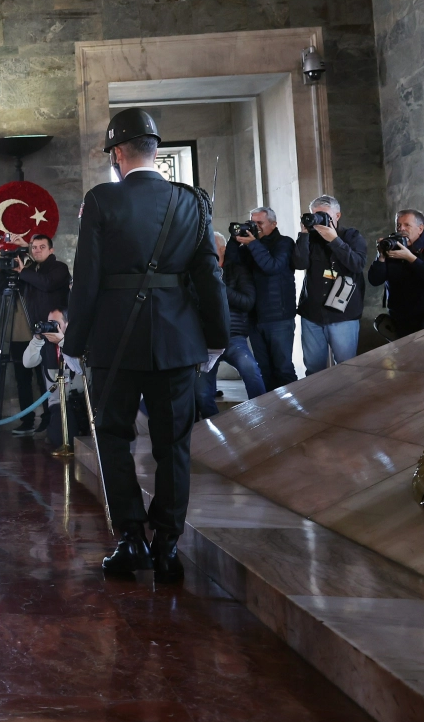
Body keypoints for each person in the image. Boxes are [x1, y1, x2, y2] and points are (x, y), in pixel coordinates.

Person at [66, 107, 229, 584]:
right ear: (156, 150)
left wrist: (74, 343)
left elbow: (87, 279)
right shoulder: (191, 201)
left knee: (114, 438)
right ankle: (168, 546)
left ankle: (131, 539)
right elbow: (210, 276)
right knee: (173, 444)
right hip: (178, 341)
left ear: (117, 154)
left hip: (115, 341)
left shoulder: (101, 201)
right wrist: (216, 338)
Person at [291, 195, 367, 375]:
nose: (318, 219)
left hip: (343, 314)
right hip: (312, 314)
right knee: (314, 369)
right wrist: (304, 234)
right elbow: (299, 264)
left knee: (347, 368)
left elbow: (357, 264)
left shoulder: (351, 236)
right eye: (315, 215)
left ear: (337, 216)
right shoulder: (310, 238)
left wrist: (334, 240)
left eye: (323, 215)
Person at [196, 232, 266, 417]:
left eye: (211, 244)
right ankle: (216, 427)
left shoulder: (237, 270)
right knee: (202, 393)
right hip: (206, 340)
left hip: (233, 337)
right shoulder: (199, 273)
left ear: (222, 249)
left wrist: (219, 287)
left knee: (251, 371)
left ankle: (263, 418)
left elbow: (247, 302)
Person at [8, 233, 70, 437]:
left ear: (51, 250)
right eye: (34, 247)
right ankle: (47, 423)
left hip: (57, 334)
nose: (37, 250)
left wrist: (23, 271)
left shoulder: (59, 268)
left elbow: (47, 283)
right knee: (40, 378)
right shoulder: (32, 270)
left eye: (42, 247)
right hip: (38, 333)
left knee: (53, 381)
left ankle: (56, 424)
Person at [234, 206, 297, 389]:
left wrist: (253, 244)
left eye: (259, 223)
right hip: (255, 317)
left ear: (273, 224)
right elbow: (232, 262)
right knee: (264, 370)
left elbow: (272, 267)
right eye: (252, 223)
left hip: (278, 317)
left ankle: (293, 407)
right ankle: (271, 407)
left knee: (283, 369)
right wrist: (235, 239)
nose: (255, 227)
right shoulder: (248, 246)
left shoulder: (284, 243)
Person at [368, 209, 424, 337]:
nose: (401, 229)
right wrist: (381, 256)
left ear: (420, 228)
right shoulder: (391, 249)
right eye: (398, 225)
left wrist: (410, 258)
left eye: (407, 225)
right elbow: (374, 280)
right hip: (401, 315)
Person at [19, 310, 85, 447]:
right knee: (61, 439)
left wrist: (62, 342)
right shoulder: (45, 345)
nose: (51, 327)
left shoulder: (79, 342)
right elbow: (27, 363)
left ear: (68, 324)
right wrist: (37, 339)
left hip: (81, 402)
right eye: (49, 323)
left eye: (56, 323)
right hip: (58, 405)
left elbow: (82, 367)